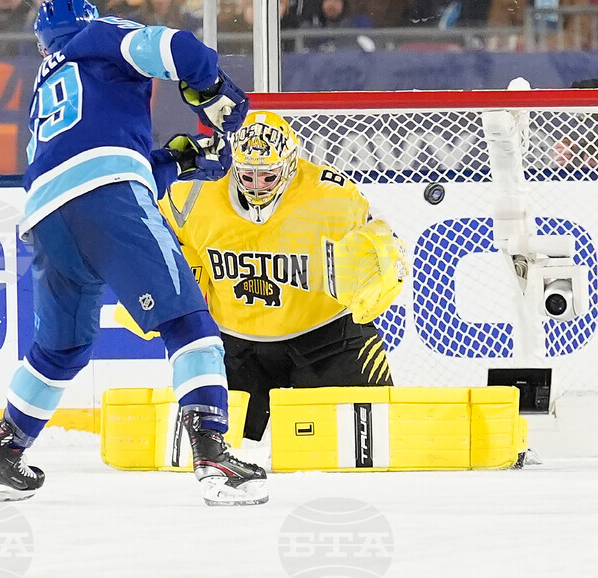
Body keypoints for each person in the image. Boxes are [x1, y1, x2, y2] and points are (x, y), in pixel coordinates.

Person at [0, 0, 267, 506]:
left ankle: (2, 455)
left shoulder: (48, 81)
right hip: (106, 195)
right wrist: (211, 87)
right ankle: (213, 451)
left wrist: (183, 163)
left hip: (45, 216)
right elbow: (176, 46)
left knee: (60, 350)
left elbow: (94, 154)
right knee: (188, 319)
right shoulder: (98, 34)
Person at [119, 111, 407, 441]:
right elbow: (156, 237)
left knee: (375, 440)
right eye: (247, 176)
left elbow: (383, 241)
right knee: (205, 447)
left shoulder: (332, 196)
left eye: (267, 177)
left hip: (326, 336)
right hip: (235, 343)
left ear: (290, 166)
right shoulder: (192, 194)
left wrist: (379, 267)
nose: (257, 186)